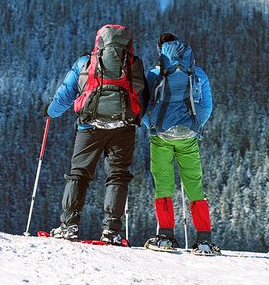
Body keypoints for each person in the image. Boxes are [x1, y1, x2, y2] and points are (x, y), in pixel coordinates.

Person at [45, 24, 147, 244]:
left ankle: (68, 226)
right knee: (118, 176)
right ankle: (111, 231)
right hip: (123, 127)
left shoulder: (85, 62)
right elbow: (142, 96)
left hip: (89, 126)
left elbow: (65, 93)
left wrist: (50, 112)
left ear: (99, 41)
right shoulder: (133, 64)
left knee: (78, 174)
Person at [142, 32, 219, 255]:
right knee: (195, 184)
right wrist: (194, 125)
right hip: (188, 138)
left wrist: (152, 126)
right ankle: (204, 240)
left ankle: (166, 236)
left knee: (164, 185)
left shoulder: (155, 74)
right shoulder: (197, 73)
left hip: (161, 138)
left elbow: (142, 105)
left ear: (161, 50)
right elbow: (206, 105)